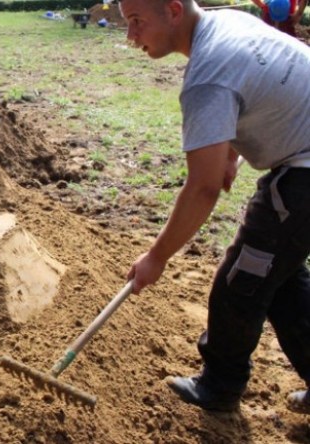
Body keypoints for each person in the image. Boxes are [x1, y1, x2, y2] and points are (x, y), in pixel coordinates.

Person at [120, 0, 310, 414]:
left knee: (241, 281)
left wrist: (157, 257)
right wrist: (228, 154)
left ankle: (219, 386)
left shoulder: (207, 76)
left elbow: (203, 190)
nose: (130, 36)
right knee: (278, 279)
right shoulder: (226, 21)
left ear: (172, 10)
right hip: (301, 159)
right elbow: (264, 90)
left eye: (137, 21)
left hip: (305, 173)